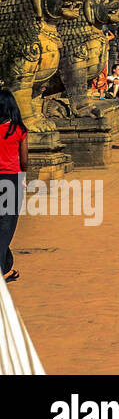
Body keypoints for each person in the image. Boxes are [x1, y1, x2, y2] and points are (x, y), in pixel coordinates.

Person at [0, 88, 28, 284]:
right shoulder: (18, 130)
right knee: (6, 227)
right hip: (11, 179)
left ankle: (7, 265)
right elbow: (24, 158)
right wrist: (24, 177)